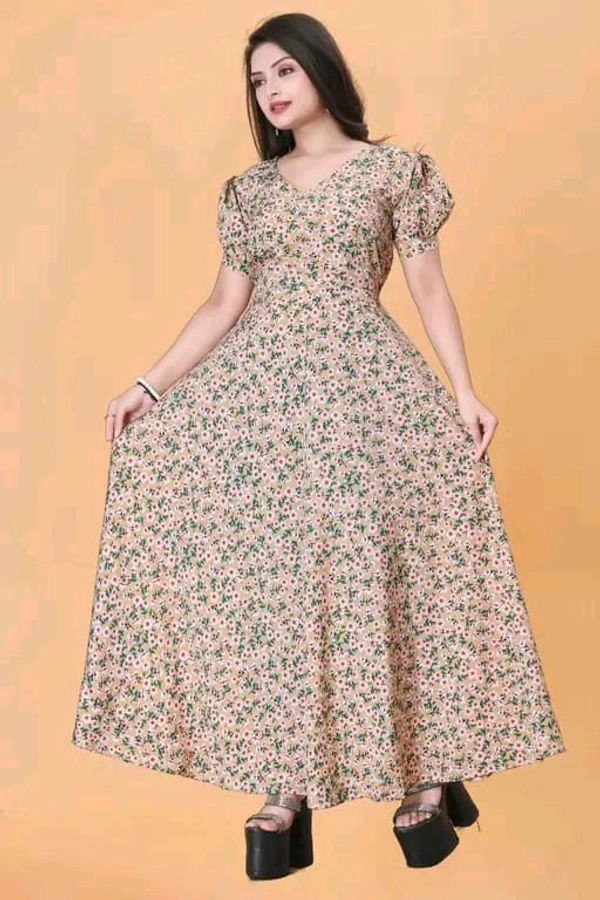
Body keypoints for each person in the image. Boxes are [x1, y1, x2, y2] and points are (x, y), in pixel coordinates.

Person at [71, 11, 566, 877]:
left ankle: (426, 766)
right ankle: (287, 778)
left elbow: (427, 286)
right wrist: (147, 387)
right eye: (257, 79)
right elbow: (222, 305)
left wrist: (464, 390)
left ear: (321, 71)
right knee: (279, 584)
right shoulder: (248, 192)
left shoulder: (392, 172)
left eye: (284, 71)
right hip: (263, 405)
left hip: (364, 392)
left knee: (391, 566)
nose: (270, 89)